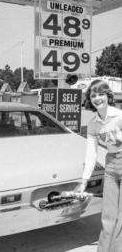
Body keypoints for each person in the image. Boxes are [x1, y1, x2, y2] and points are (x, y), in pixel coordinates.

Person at [77, 79, 122, 252]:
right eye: (93, 95)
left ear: (108, 96)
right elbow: (91, 154)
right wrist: (83, 181)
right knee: (108, 216)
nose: (97, 98)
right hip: (110, 166)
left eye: (101, 94)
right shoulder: (93, 124)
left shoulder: (119, 116)